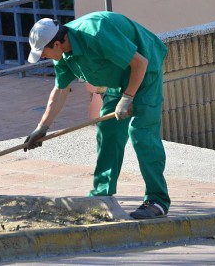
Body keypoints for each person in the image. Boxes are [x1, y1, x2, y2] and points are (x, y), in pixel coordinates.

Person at [24, 11, 170, 219]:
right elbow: (60, 91)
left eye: (43, 52)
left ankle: (157, 200)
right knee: (108, 133)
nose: (43, 57)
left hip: (145, 72)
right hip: (118, 79)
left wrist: (127, 98)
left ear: (56, 44)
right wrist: (42, 127)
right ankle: (101, 195)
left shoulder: (96, 32)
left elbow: (140, 63)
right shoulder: (63, 55)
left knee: (141, 134)